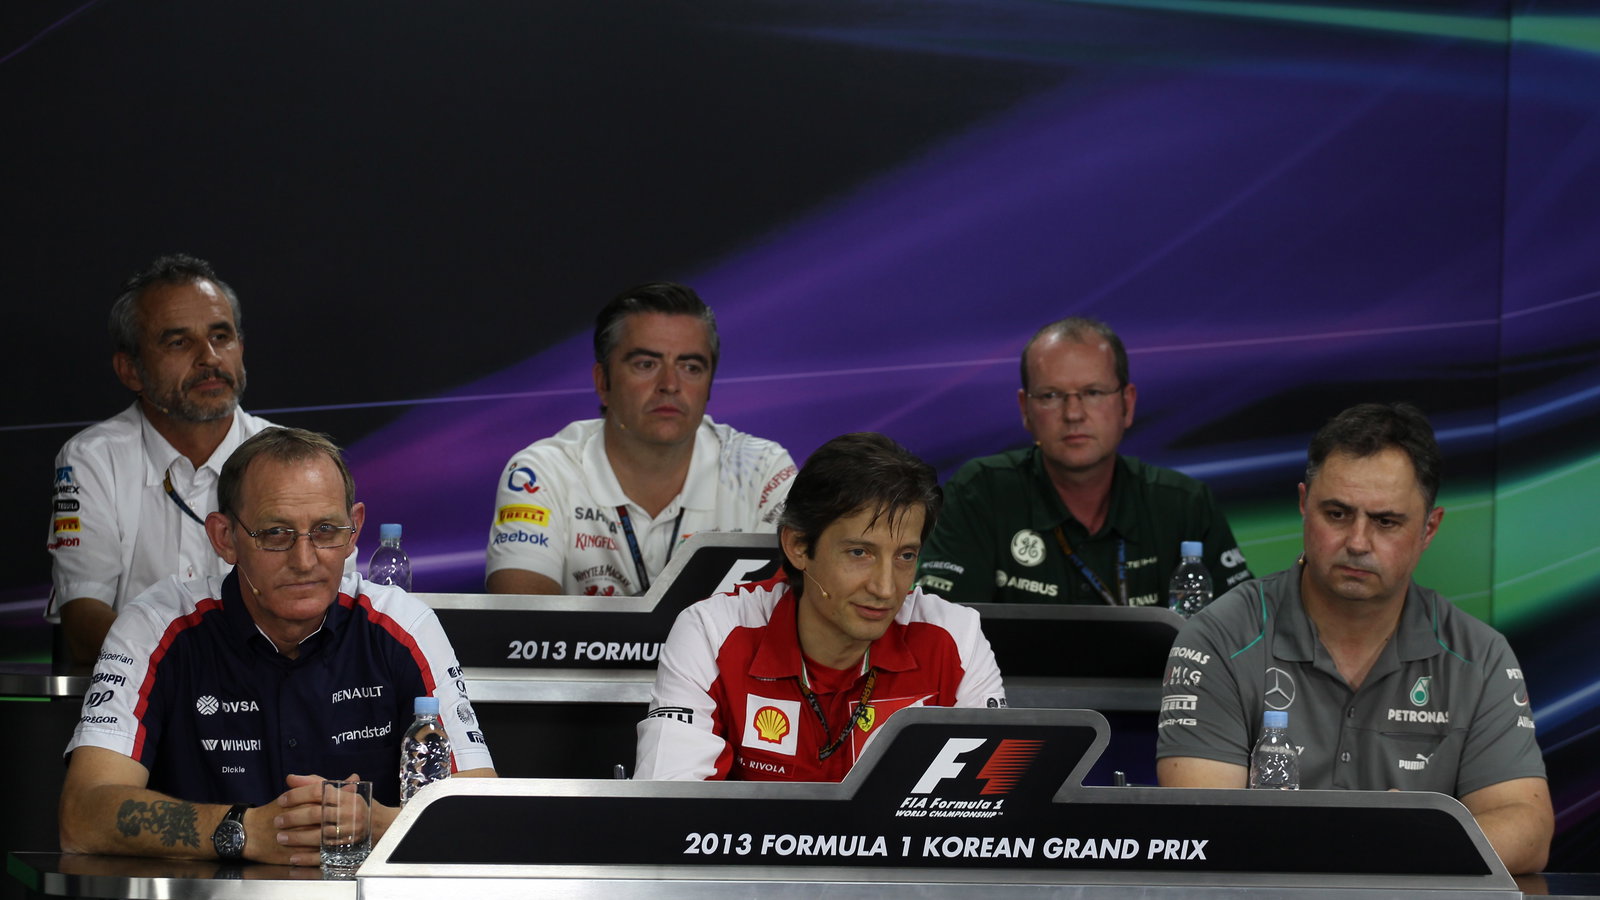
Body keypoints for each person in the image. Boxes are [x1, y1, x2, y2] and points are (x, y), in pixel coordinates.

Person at [59, 428, 495, 864]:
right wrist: (241, 829)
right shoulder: (153, 626)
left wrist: (378, 826)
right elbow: (82, 816)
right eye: (275, 533)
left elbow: (483, 812)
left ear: (354, 531)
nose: (304, 560)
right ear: (225, 537)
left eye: (326, 530)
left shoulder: (406, 625)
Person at [1156, 403, 1552, 874]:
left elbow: (1528, 830)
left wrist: (1412, 843)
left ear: (1429, 528)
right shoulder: (1218, 638)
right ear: (1304, 504)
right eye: (1337, 513)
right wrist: (1376, 841)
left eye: (1386, 521)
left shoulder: (1479, 656)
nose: (1358, 542)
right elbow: (1203, 829)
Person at [634, 432, 1007, 782]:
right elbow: (666, 808)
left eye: (905, 556)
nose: (885, 588)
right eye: (859, 553)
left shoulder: (956, 636)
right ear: (798, 546)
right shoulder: (712, 634)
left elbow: (992, 807)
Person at [485, 282, 796, 597]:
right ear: (603, 382)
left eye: (691, 367)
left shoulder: (762, 471)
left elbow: (796, 606)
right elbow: (520, 619)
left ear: (709, 385)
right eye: (646, 364)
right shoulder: (540, 473)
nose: (670, 384)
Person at [916, 316, 1250, 605]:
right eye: (1051, 395)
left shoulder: (1185, 505)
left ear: (1128, 404)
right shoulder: (979, 493)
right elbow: (941, 633)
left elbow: (1242, 633)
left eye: (1093, 392)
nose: (1073, 414)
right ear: (1025, 410)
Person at [47, 254, 277, 664]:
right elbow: (83, 621)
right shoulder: (93, 459)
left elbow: (331, 605)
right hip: (141, 695)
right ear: (130, 370)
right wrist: (197, 671)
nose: (210, 358)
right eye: (179, 342)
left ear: (241, 348)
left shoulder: (292, 460)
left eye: (221, 336)